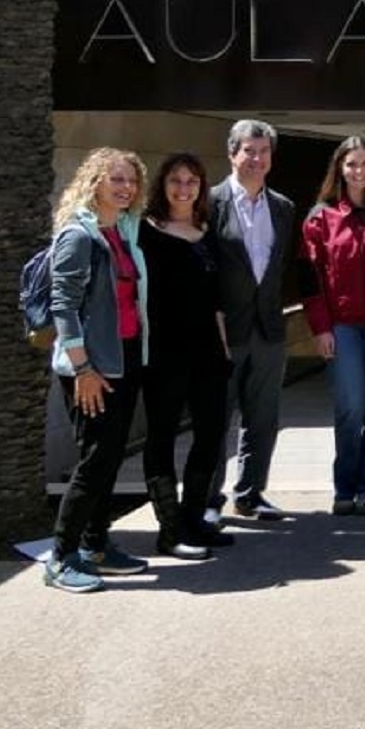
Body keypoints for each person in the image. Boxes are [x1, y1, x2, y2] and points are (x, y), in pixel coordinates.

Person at [43, 148, 152, 592]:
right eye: (117, 180)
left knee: (109, 457)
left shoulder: (120, 230)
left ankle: (96, 546)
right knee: (95, 460)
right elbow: (63, 306)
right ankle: (61, 557)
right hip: (91, 367)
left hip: (123, 358)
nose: (126, 188)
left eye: (132, 181)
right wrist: (83, 368)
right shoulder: (79, 236)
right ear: (95, 183)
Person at [139, 152, 232, 560]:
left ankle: (194, 519)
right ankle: (169, 530)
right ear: (162, 185)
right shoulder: (145, 232)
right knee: (161, 437)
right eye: (176, 180)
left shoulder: (206, 232)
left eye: (192, 181)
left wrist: (224, 349)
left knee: (211, 435)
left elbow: (216, 302)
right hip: (163, 353)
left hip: (207, 351)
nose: (184, 188)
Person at [208, 119, 298, 524]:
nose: (257, 159)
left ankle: (250, 493)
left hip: (268, 329)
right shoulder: (210, 202)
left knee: (263, 418)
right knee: (215, 419)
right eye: (249, 151)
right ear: (232, 153)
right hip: (223, 331)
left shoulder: (283, 207)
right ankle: (208, 500)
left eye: (263, 152)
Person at [302, 136, 365, 517]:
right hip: (341, 326)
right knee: (350, 408)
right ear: (339, 168)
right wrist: (321, 328)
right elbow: (311, 279)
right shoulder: (320, 218)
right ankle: (345, 485)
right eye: (352, 164)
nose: (359, 171)